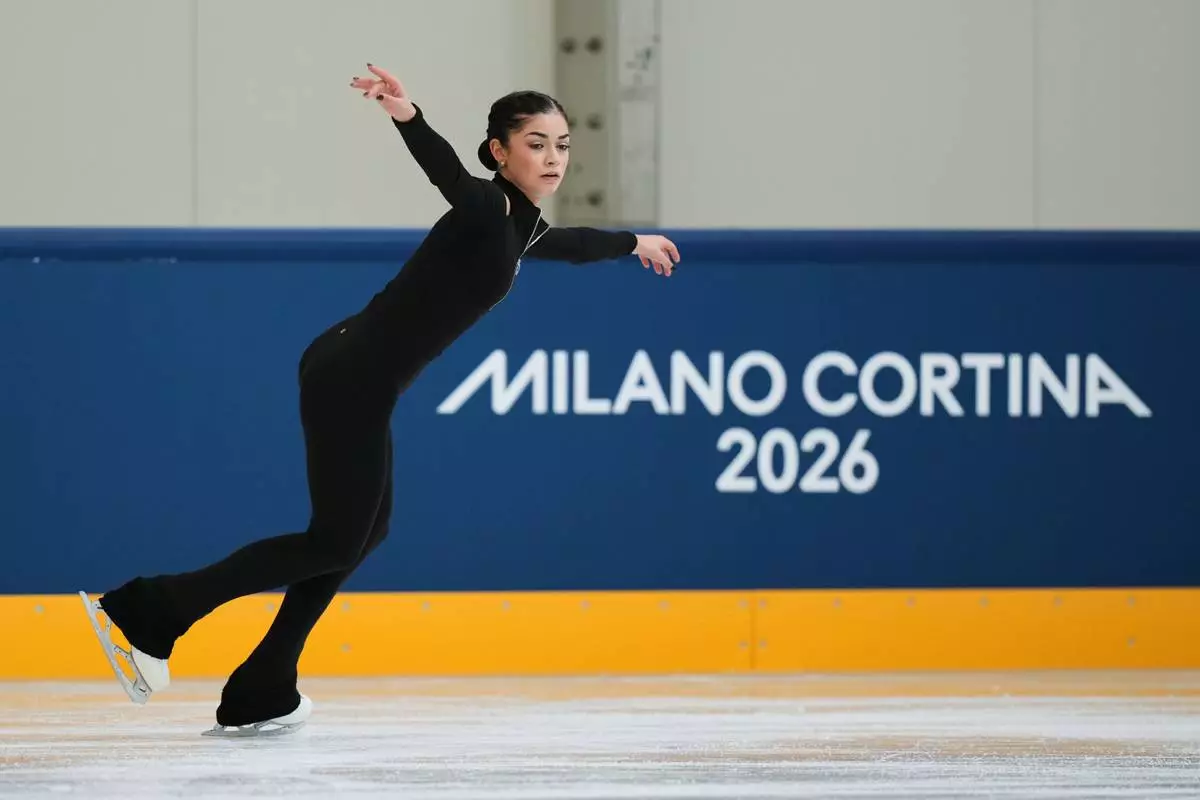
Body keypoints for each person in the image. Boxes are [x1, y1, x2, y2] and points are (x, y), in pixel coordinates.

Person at [79, 63, 681, 737]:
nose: (553, 157)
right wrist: (408, 115)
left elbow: (568, 244)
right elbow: (448, 175)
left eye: (563, 144)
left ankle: (263, 684)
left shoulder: (518, 228)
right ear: (499, 152)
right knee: (335, 538)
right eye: (536, 142)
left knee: (361, 534)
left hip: (356, 371)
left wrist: (634, 242)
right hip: (353, 377)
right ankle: (151, 610)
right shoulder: (487, 208)